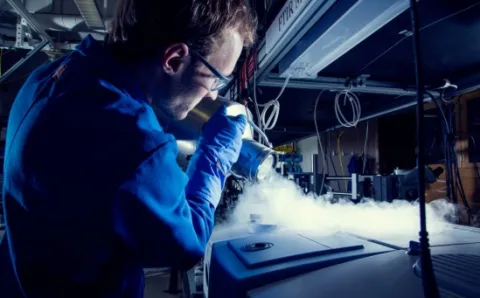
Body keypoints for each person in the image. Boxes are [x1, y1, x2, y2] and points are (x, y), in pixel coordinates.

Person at [0, 0, 257, 297]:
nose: (213, 94)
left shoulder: (47, 76)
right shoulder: (137, 144)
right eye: (215, 79)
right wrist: (216, 153)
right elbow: (187, 245)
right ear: (174, 60)